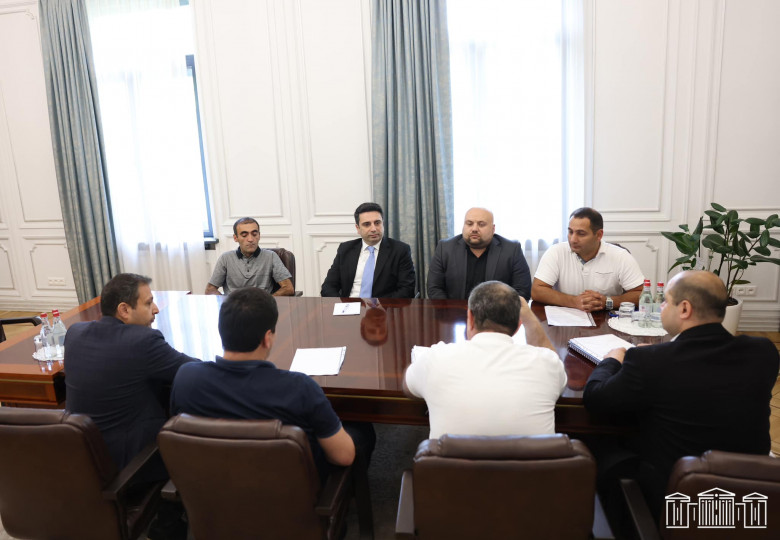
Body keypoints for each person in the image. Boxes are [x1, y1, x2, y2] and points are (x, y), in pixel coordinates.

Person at [583, 270, 779, 519]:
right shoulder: (763, 352)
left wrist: (613, 359)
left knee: (598, 448)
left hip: (680, 504)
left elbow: (595, 398)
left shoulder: (650, 362)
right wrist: (657, 355)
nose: (661, 307)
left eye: (666, 301)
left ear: (684, 309)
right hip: (750, 499)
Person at [171, 288, 374, 482]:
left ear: (221, 330)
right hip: (288, 494)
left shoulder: (186, 377)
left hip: (212, 490)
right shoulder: (300, 387)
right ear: (267, 338)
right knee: (361, 431)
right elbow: (343, 456)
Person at [65, 273, 199, 540]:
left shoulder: (75, 333)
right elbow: (196, 373)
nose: (156, 309)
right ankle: (168, 524)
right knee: (193, 432)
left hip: (81, 462)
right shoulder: (143, 342)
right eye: (148, 303)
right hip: (129, 467)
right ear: (124, 310)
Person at [404, 281, 567, 438]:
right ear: (518, 326)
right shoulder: (547, 364)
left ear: (470, 318)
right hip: (532, 459)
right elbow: (556, 365)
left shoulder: (435, 358)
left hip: (454, 458)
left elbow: (408, 388)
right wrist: (529, 318)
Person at [532, 207, 644, 311]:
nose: (573, 239)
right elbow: (537, 290)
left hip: (606, 319)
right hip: (564, 319)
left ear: (599, 235)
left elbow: (642, 294)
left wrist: (608, 302)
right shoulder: (556, 252)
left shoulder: (620, 256)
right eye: (570, 232)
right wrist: (574, 301)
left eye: (581, 234)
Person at [427, 208, 531, 300]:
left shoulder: (512, 250)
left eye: (481, 224)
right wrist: (450, 310)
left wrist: (499, 311)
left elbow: (522, 290)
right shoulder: (445, 248)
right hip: (455, 312)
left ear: (493, 229)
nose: (474, 229)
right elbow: (434, 288)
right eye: (469, 223)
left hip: (497, 313)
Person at [321, 202, 416, 298]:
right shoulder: (345, 249)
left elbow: (407, 289)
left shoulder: (400, 250)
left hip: (383, 306)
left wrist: (380, 305)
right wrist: (342, 304)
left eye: (377, 223)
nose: (373, 229)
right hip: (349, 304)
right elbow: (328, 287)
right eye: (367, 224)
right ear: (358, 228)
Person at [206, 217, 294, 296]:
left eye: (254, 234)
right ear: (235, 238)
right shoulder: (225, 258)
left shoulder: (271, 256)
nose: (251, 239)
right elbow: (210, 290)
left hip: (262, 306)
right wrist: (226, 303)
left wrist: (268, 301)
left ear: (259, 235)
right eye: (244, 235)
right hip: (234, 306)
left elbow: (288, 288)